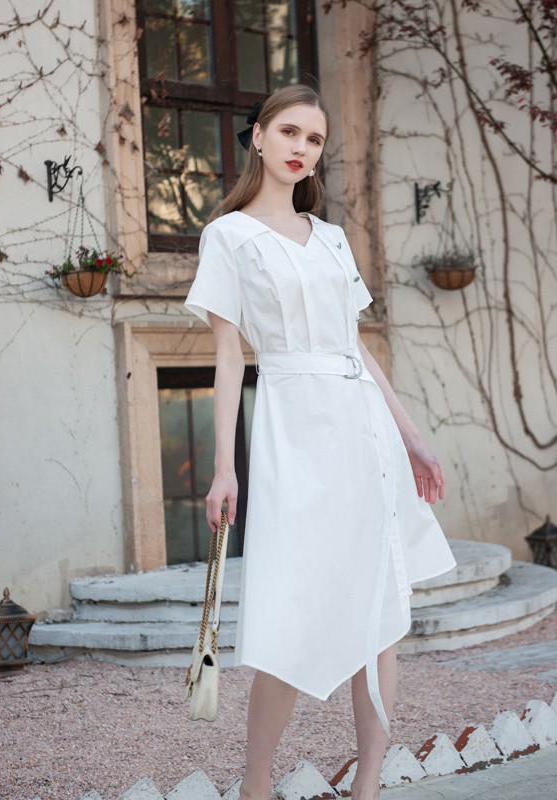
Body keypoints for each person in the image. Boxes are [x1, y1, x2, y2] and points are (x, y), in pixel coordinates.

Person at [185, 84, 456, 800]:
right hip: (293, 429)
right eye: (289, 132)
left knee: (378, 613)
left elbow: (354, 346)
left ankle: (369, 783)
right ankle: (256, 784)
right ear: (258, 135)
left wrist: (412, 438)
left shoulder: (331, 238)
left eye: (314, 140)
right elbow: (229, 357)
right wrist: (224, 469)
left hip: (363, 431)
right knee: (289, 611)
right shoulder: (228, 236)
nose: (301, 148)